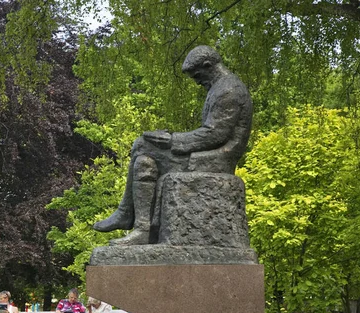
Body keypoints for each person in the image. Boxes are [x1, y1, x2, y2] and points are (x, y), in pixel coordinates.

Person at [93, 45, 253, 245]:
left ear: (208, 65)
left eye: (197, 75)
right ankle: (142, 229)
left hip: (216, 160)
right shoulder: (220, 87)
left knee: (142, 145)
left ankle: (125, 213)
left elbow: (215, 134)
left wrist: (172, 140)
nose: (196, 82)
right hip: (207, 155)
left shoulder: (229, 90)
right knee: (144, 162)